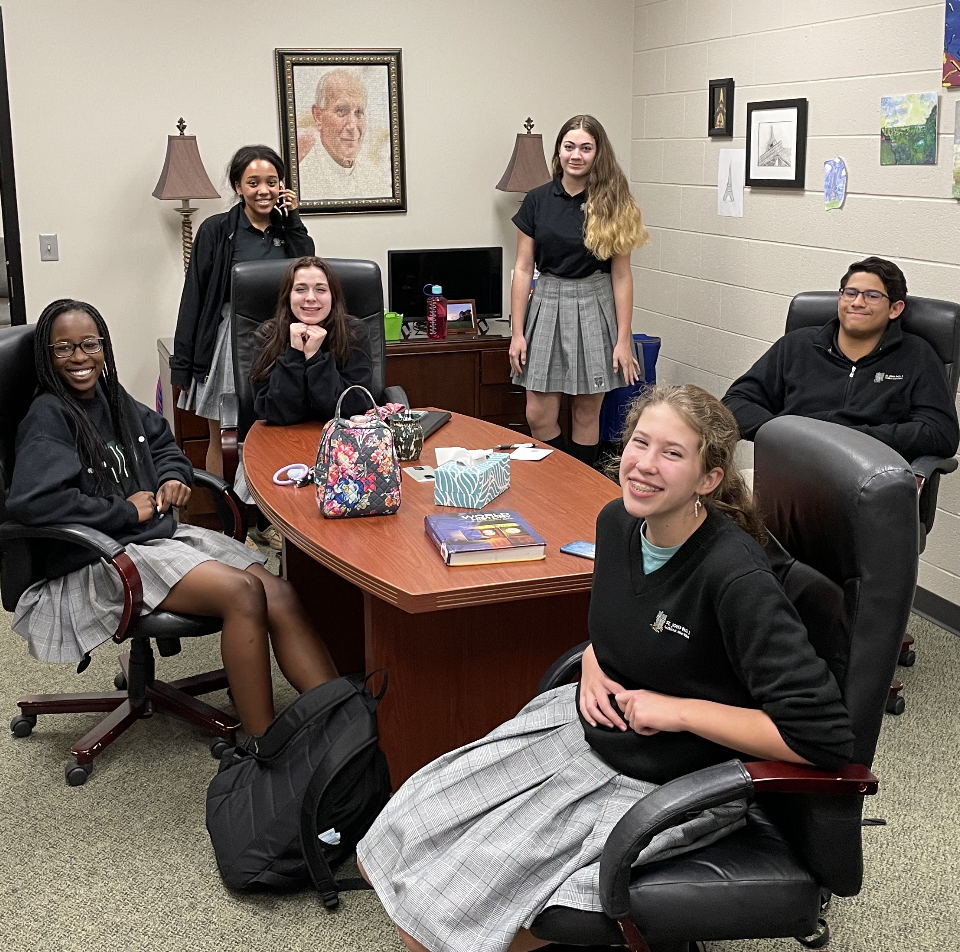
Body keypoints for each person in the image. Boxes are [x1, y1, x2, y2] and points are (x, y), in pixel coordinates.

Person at [355, 384, 854, 952]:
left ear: (708, 479)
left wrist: (678, 711)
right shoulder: (618, 523)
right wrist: (594, 656)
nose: (644, 465)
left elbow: (822, 737)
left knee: (436, 925)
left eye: (672, 453)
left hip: (668, 778)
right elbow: (633, 617)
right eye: (641, 442)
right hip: (589, 726)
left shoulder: (735, 578)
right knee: (393, 841)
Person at [8, 300, 339, 738]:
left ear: (104, 347)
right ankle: (265, 747)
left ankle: (341, 722)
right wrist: (125, 510)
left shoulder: (112, 397)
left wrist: (170, 478)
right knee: (243, 592)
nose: (81, 358)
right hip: (98, 559)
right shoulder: (48, 415)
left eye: (90, 344)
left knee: (278, 591)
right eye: (64, 349)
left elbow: (162, 440)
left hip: (149, 536)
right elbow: (33, 502)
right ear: (46, 358)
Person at [508, 114, 648, 468]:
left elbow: (621, 275)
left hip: (595, 303)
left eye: (586, 148)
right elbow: (523, 269)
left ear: (597, 153)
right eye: (569, 146)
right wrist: (517, 333)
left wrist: (622, 338)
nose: (576, 155)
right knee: (538, 413)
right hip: (547, 301)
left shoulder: (614, 201)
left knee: (587, 414)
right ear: (559, 151)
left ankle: (581, 492)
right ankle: (559, 481)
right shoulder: (537, 200)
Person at [723, 256, 960, 462]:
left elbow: (941, 433)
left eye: (872, 295)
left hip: (870, 478)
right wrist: (788, 434)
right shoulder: (797, 345)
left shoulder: (917, 355)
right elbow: (735, 402)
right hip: (791, 467)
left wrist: (846, 439)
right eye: (851, 293)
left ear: (895, 309)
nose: (857, 302)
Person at [172, 145, 315, 481]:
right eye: (253, 183)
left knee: (276, 434)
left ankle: (268, 526)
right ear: (238, 186)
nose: (263, 190)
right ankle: (231, 520)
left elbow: (308, 267)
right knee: (226, 437)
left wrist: (292, 218)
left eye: (271, 182)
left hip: (282, 337)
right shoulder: (216, 229)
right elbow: (195, 294)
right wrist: (183, 363)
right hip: (230, 340)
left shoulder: (286, 229)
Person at [248, 256, 375, 425]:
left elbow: (352, 407)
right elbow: (275, 413)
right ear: (288, 296)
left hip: (342, 440)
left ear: (333, 296)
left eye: (320, 290)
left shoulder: (353, 333)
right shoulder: (267, 335)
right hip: (281, 438)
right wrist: (294, 354)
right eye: (300, 289)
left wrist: (315, 358)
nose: (310, 298)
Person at [297, 69, 392, 201]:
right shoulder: (301, 183)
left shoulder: (376, 181)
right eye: (341, 111)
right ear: (318, 116)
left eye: (359, 112)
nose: (352, 125)